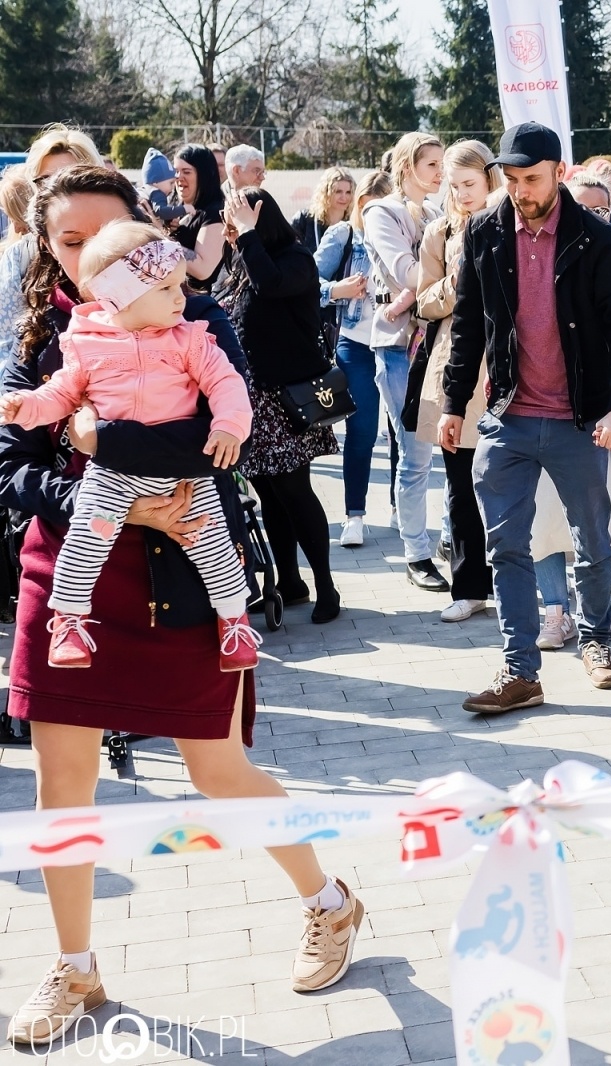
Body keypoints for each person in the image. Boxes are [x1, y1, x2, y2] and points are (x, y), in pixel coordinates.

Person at [0, 167, 362, 1047]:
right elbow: (10, 466)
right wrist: (98, 483)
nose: (86, 252)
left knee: (217, 771)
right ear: (46, 245)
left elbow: (218, 440)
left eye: (104, 233)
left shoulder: (196, 316)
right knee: (63, 785)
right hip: (75, 573)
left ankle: (330, 901)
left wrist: (100, 439)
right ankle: (75, 966)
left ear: (142, 231)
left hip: (183, 573)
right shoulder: (40, 332)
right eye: (68, 240)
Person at [444, 121, 611, 712]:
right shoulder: (483, 230)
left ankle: (596, 639)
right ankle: (519, 671)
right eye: (510, 179)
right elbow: (468, 325)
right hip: (507, 415)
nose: (519, 189)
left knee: (591, 540)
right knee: (505, 545)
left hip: (579, 418)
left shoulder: (594, 235)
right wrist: (455, 403)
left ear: (560, 172)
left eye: (530, 178)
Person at [0, 220, 257, 671]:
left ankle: (234, 624)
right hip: (111, 476)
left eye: (180, 285)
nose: (180, 297)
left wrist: (228, 426)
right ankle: (70, 623)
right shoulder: (85, 343)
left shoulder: (190, 338)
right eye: (166, 288)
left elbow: (226, 383)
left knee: (212, 542)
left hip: (183, 472)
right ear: (122, 295)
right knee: (86, 539)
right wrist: (25, 408)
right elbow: (60, 396)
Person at [216, 187, 343, 624]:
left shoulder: (295, 259)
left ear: (259, 219)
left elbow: (271, 285)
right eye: (228, 223)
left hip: (287, 399)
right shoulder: (241, 259)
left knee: (295, 491)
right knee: (268, 491)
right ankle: (289, 581)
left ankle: (326, 585)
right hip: (250, 399)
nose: (231, 230)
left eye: (238, 221)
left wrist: (247, 237)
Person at [416, 141, 502, 624]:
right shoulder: (441, 231)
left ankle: (531, 586)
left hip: (512, 369)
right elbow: (425, 300)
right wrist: (460, 280)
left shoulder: (514, 220)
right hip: (458, 373)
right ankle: (469, 586)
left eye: (469, 184)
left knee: (512, 483)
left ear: (491, 176)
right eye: (453, 185)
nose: (462, 194)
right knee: (460, 483)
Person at [364, 132, 447, 591]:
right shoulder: (382, 211)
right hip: (399, 345)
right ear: (407, 166)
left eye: (441, 164)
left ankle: (453, 539)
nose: (440, 173)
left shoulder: (438, 211)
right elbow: (408, 273)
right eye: (431, 164)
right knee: (415, 456)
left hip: (441, 339)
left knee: (458, 449)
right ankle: (416, 551)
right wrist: (447, 275)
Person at [314, 170, 389, 549]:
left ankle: (399, 509)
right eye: (371, 208)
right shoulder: (343, 235)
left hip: (398, 345)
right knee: (361, 433)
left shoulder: (406, 234)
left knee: (404, 435)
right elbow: (306, 282)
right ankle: (354, 515)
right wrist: (336, 290)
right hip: (356, 345)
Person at [0, 126, 101, 368]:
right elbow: (7, 346)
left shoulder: (130, 247)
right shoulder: (21, 257)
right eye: (46, 181)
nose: (60, 190)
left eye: (73, 176)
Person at [171, 144, 227, 291]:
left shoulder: (215, 212)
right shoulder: (174, 209)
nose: (179, 177)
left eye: (186, 172)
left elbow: (203, 269)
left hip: (201, 305)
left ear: (204, 176)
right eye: (176, 171)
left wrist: (161, 239)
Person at [292, 166, 355, 252]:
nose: (344, 197)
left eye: (348, 192)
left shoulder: (355, 223)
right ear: (325, 192)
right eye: (338, 191)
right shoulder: (304, 219)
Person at [139, 148, 185, 225]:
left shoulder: (144, 191)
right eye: (171, 183)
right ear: (155, 182)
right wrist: (183, 209)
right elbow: (160, 211)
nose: (173, 186)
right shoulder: (157, 192)